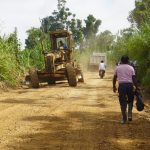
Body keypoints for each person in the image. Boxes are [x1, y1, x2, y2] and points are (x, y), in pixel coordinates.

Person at [113, 55, 139, 124]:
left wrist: (114, 86)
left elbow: (114, 78)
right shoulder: (131, 68)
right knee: (130, 100)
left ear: (121, 60)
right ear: (128, 61)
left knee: (122, 101)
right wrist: (137, 87)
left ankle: (124, 118)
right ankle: (129, 114)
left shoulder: (117, 68)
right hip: (130, 85)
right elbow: (134, 78)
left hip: (121, 86)